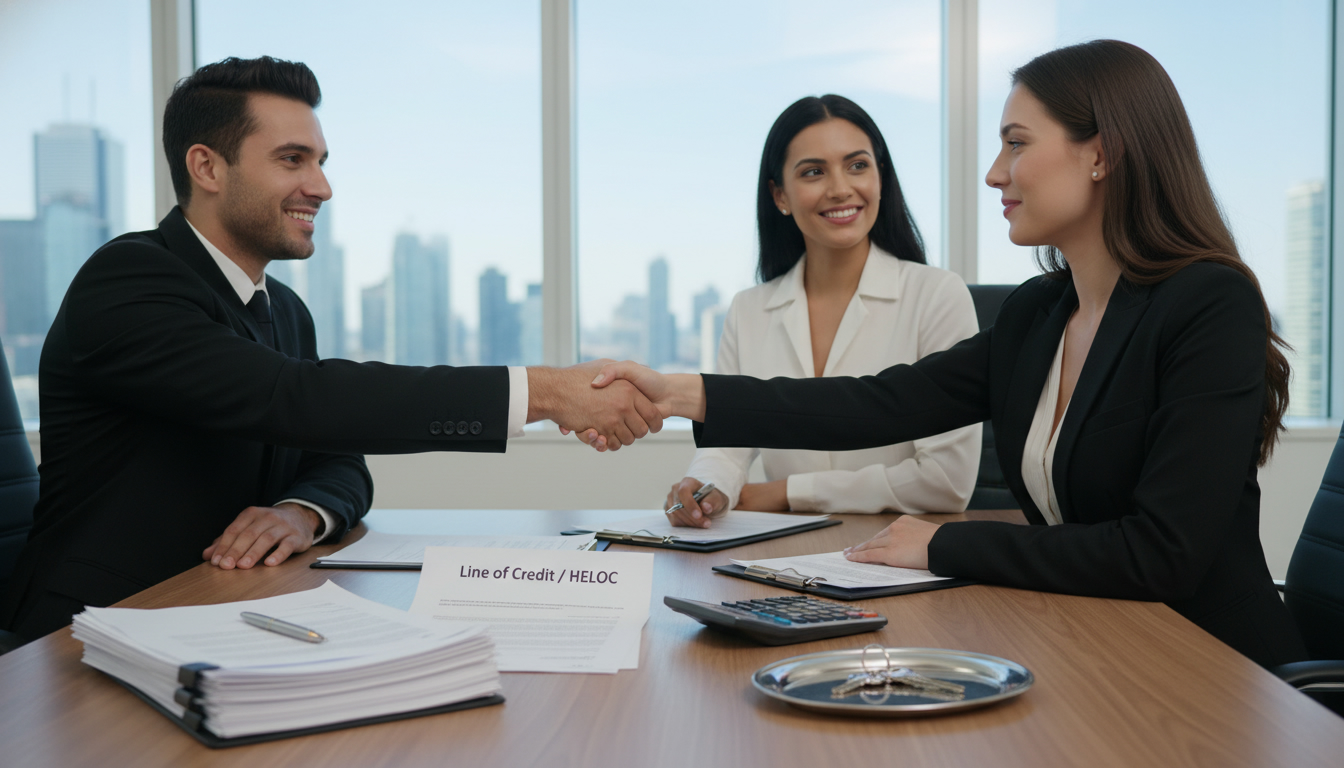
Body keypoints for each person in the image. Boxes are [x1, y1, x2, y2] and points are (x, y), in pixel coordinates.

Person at [587, 40, 1308, 668]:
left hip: (1216, 670)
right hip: (1103, 639)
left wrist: (942, 545)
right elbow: (875, 403)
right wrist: (681, 394)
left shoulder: (1208, 305)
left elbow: (1162, 553)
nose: (996, 173)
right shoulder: (1037, 315)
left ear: (1102, 153)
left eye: (1017, 143)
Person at [0, 56, 660, 642]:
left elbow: (340, 460)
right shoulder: (129, 281)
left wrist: (301, 512)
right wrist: (542, 393)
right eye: (293, 160)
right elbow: (292, 400)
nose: (321, 186)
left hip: (230, 617)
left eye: (320, 162)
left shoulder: (284, 309)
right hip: (93, 630)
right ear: (206, 166)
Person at [660, 95, 980, 528]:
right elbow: (727, 445)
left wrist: (786, 492)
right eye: (813, 172)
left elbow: (946, 482)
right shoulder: (749, 310)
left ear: (881, 177)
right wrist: (705, 487)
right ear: (780, 196)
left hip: (904, 551)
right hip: (788, 553)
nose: (840, 188)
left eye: (857, 165)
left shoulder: (937, 295)